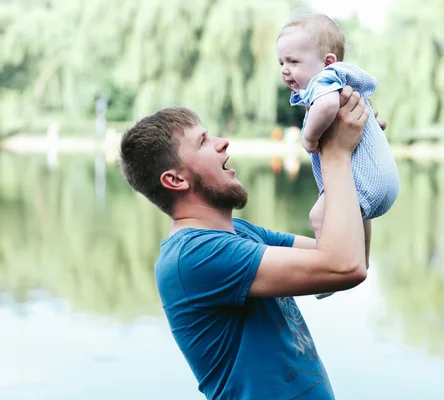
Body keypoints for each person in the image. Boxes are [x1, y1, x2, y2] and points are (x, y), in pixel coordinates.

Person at [118, 87, 379, 399]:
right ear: (176, 180)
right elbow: (343, 267)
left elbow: (353, 258)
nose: (221, 143)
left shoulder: (240, 234)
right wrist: (337, 154)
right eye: (203, 142)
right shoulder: (192, 256)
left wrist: (354, 157)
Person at [276, 14, 400, 299]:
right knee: (355, 213)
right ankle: (361, 259)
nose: (285, 70)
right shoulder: (342, 82)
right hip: (380, 183)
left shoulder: (325, 83)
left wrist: (309, 136)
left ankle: (328, 268)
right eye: (281, 62)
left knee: (318, 215)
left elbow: (328, 106)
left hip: (363, 182)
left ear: (327, 62)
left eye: (293, 62)